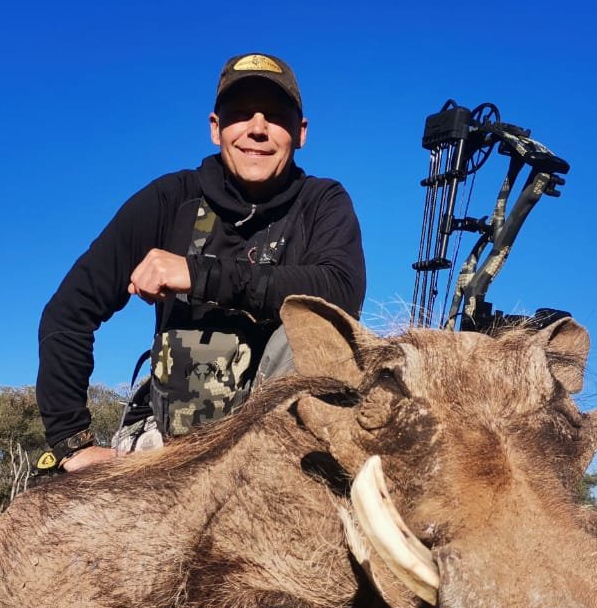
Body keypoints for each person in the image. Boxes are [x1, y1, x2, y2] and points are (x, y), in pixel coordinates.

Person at [36, 53, 366, 472]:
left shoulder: (324, 202)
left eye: (276, 117)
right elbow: (67, 313)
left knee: (309, 328)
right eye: (241, 114)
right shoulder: (169, 199)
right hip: (174, 444)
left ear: (300, 134)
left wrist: (195, 274)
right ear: (215, 129)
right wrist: (72, 443)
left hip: (285, 448)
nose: (258, 129)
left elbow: (340, 291)